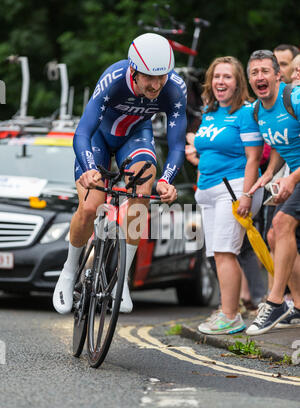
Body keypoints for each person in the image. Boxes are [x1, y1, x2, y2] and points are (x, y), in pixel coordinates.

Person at [53, 33, 187, 315]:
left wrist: (166, 181)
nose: (156, 85)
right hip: (98, 138)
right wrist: (90, 169)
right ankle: (68, 270)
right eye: (149, 77)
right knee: (90, 206)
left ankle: (121, 279)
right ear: (133, 70)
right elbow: (82, 132)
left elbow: (176, 145)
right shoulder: (114, 79)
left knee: (143, 191)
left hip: (136, 136)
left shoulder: (174, 88)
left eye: (161, 77)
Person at [188, 56, 264, 335]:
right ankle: (225, 310)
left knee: (225, 252)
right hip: (208, 192)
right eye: (217, 76)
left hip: (233, 190)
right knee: (216, 254)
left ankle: (231, 317)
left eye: (228, 77)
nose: (221, 82)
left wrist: (246, 195)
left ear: (237, 83)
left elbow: (253, 158)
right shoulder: (209, 113)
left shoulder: (245, 113)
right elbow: (206, 153)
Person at [246, 49, 300, 335]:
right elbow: (281, 143)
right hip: (293, 176)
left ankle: (276, 301)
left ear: (278, 74)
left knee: (281, 224)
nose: (259, 77)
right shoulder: (258, 110)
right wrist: (267, 174)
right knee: (272, 235)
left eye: (265, 71)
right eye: (254, 73)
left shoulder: (295, 98)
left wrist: (292, 178)